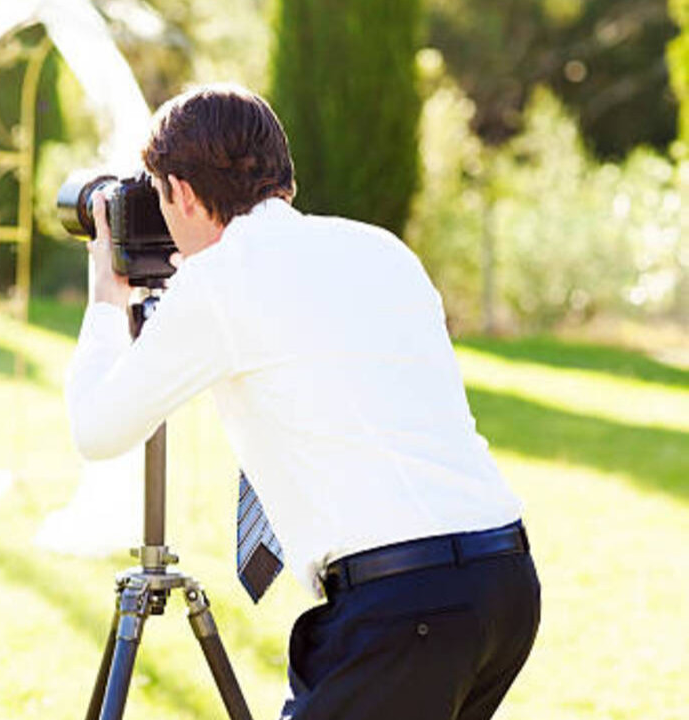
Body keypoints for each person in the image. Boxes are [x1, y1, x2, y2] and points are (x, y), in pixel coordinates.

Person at [65, 84, 540, 720]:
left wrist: (105, 301)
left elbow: (97, 431)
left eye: (158, 197)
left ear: (180, 190)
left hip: (406, 607)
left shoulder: (219, 284)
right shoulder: (379, 248)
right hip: (503, 581)